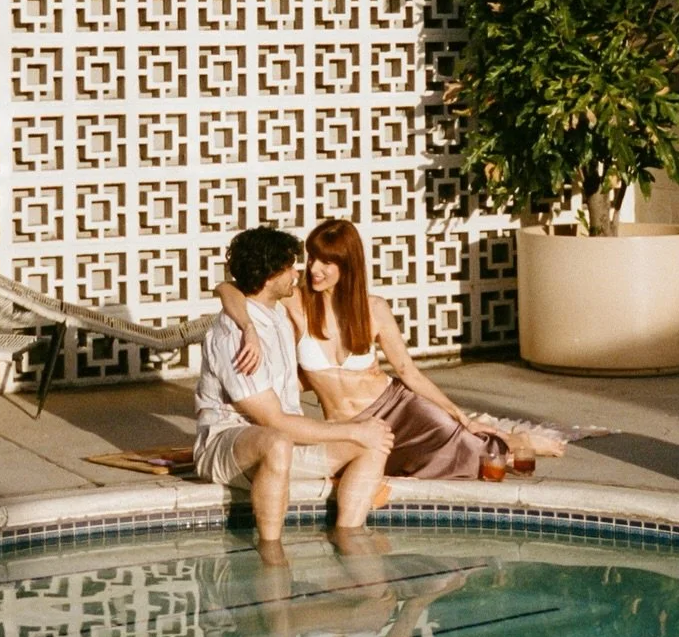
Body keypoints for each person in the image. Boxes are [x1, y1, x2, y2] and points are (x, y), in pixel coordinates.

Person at [216, 218, 512, 480]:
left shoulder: (374, 308)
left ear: (347, 265)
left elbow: (408, 372)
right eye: (312, 258)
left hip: (399, 408)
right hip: (347, 425)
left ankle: (515, 439)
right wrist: (248, 327)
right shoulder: (297, 301)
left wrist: (462, 417)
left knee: (481, 456)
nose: (314, 269)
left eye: (326, 262)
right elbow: (227, 288)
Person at [194, 226, 394, 543]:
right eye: (289, 266)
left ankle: (348, 535)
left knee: (375, 438)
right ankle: (271, 550)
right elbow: (272, 421)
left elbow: (227, 287)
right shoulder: (234, 336)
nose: (297, 272)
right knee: (277, 441)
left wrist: (361, 429)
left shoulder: (278, 313)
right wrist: (351, 427)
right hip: (227, 444)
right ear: (270, 275)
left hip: (282, 437)